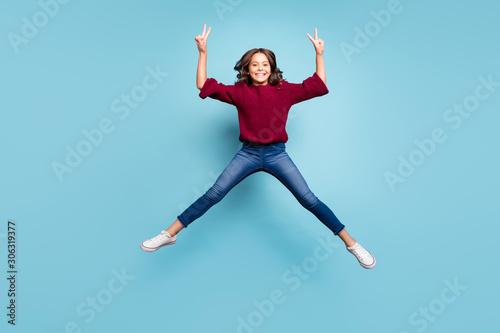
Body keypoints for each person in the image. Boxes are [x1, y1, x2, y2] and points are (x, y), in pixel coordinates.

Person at [140, 24, 376, 269]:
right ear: (247, 69)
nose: (260, 68)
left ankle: (352, 244)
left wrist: (319, 54)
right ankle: (169, 234)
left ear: (272, 68)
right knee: (213, 194)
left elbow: (318, 85)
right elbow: (203, 85)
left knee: (308, 199)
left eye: (264, 64)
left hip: (276, 154)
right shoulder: (239, 91)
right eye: (255, 64)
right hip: (248, 154)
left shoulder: (284, 90)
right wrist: (203, 52)